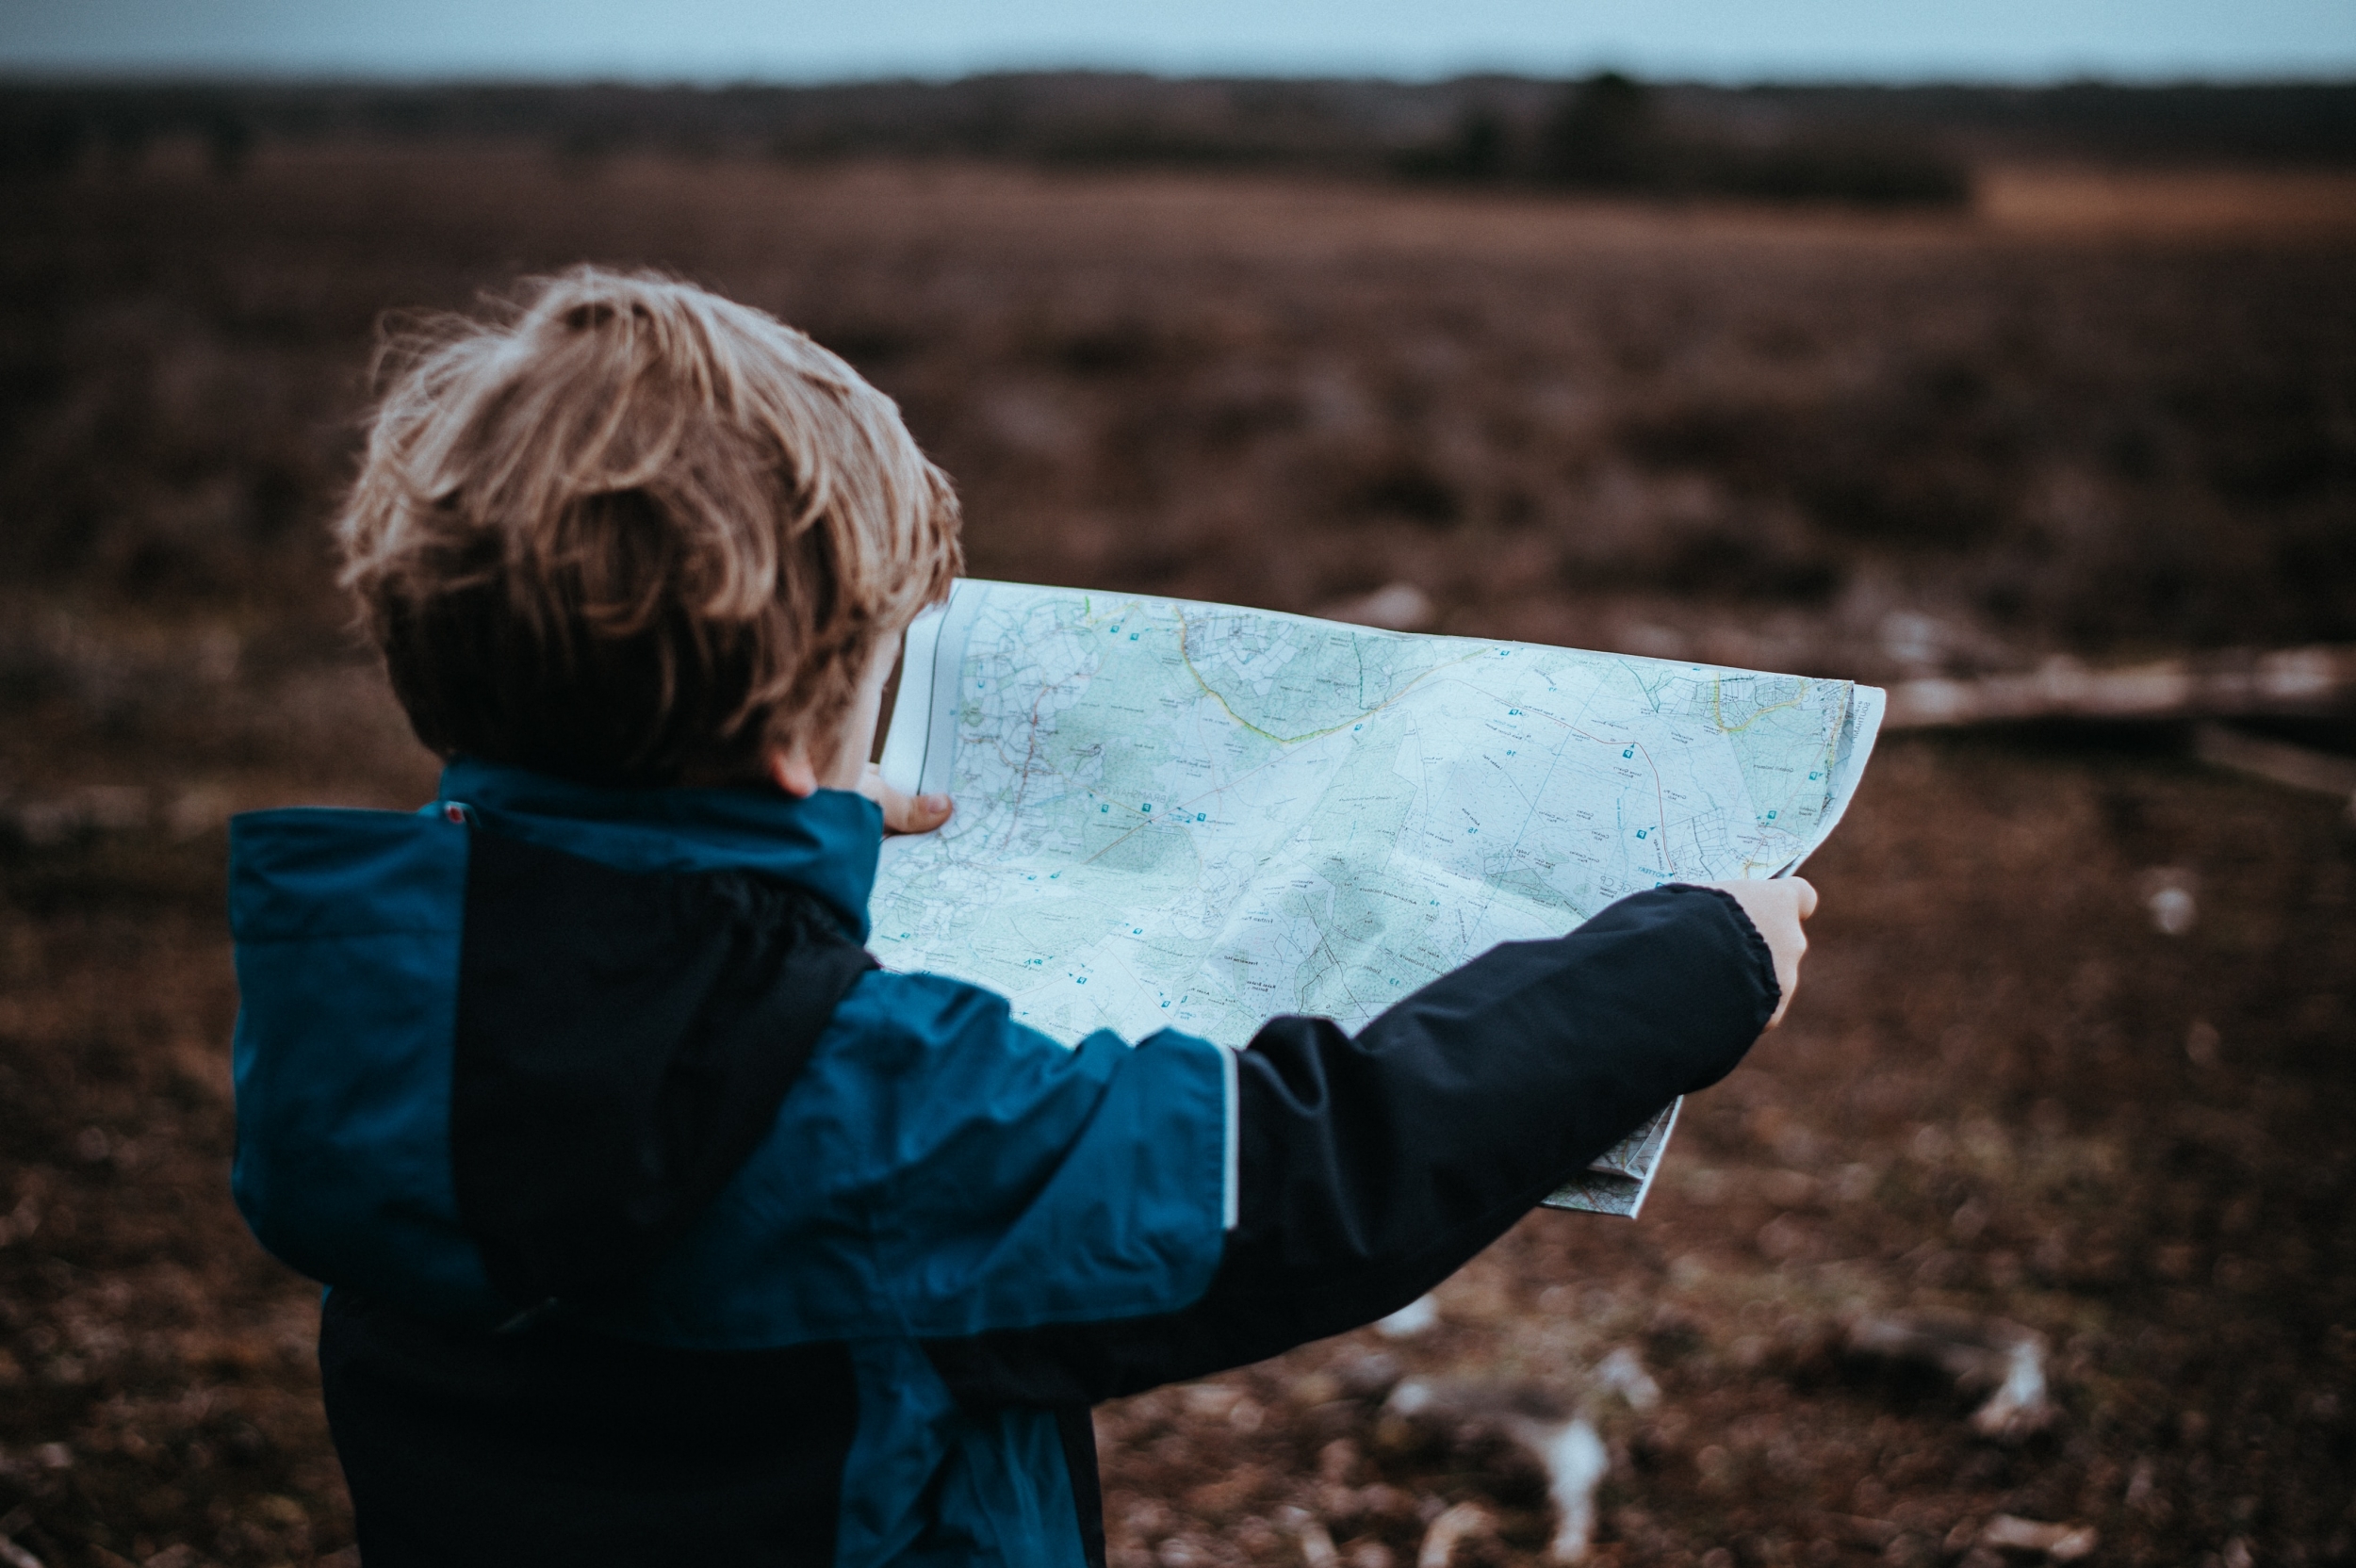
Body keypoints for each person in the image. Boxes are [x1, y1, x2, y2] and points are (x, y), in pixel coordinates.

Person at [227, 267, 1816, 1567]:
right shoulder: (869, 1114)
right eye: (873, 681)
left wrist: (797, 834)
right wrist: (1688, 965)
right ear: (796, 736)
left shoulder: (358, 1018)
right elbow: (1302, 1178)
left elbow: (605, 938)